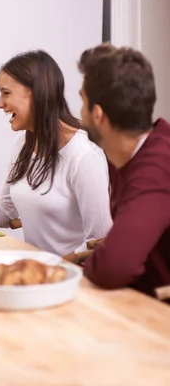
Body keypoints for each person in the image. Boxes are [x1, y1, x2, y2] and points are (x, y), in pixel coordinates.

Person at [0, 50, 112, 256]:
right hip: (36, 271)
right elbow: (5, 211)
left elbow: (98, 243)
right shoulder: (24, 142)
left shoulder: (84, 155)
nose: (0, 103)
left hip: (68, 279)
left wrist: (48, 269)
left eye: (6, 93)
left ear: (35, 93)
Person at [77, 43, 170, 299]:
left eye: (81, 100)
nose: (78, 112)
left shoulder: (156, 166)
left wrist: (103, 255)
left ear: (98, 114)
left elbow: (115, 266)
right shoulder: (124, 156)